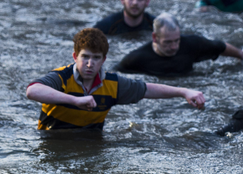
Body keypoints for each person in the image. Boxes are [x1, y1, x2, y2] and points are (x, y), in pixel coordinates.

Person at [26, 28, 206, 130]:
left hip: (91, 145)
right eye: (85, 57)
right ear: (75, 57)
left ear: (103, 60)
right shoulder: (62, 77)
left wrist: (184, 92)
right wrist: (75, 100)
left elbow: (147, 89)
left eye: (96, 58)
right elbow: (32, 90)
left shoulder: (113, 84)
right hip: (50, 141)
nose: (90, 64)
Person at [113, 13, 243, 77]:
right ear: (155, 37)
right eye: (167, 42)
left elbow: (221, 46)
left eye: (176, 40)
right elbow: (115, 75)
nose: (173, 47)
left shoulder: (192, 43)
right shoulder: (136, 58)